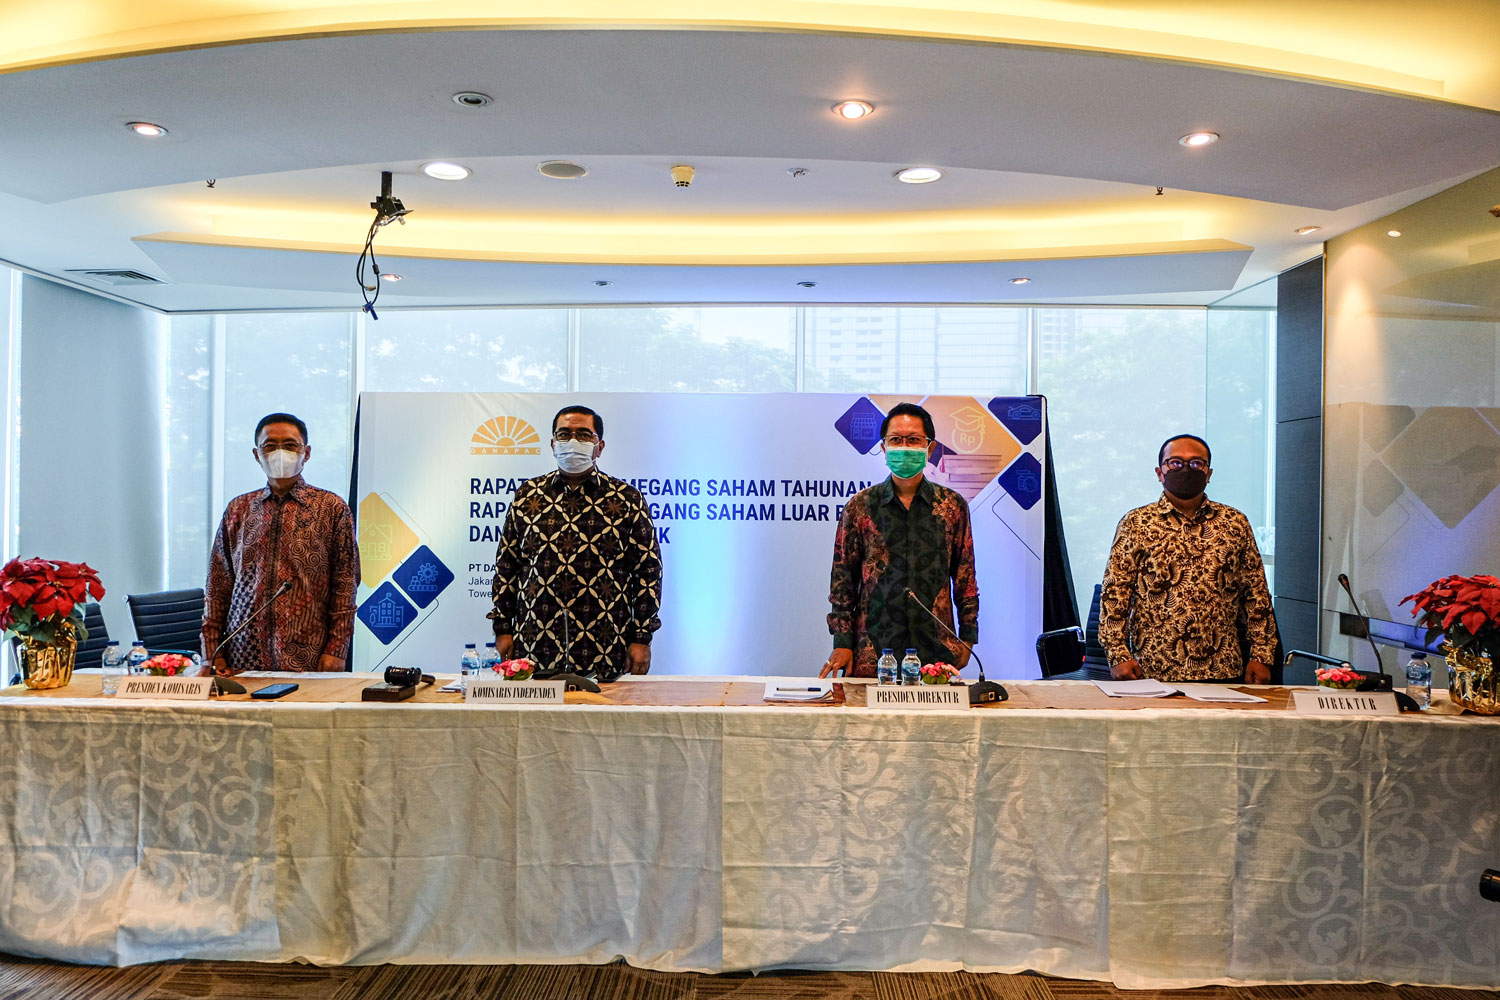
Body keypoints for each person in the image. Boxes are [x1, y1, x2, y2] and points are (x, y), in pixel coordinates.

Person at [489, 405, 661, 680]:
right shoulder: (527, 495)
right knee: (533, 709)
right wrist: (502, 629)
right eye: (564, 434)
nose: (572, 441)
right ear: (552, 444)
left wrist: (641, 637)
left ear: (599, 446)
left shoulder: (626, 499)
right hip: (535, 643)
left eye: (583, 434)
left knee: (604, 709)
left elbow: (648, 571)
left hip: (605, 645)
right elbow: (507, 566)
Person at [1100, 433, 1276, 684]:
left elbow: (1255, 593)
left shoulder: (1234, 523)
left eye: (1196, 463)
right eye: (1175, 462)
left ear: (1208, 473)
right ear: (1160, 472)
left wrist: (1262, 654)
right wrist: (1117, 654)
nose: (1185, 469)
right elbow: (1115, 593)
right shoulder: (1136, 523)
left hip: (1223, 668)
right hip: (1152, 669)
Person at [821, 402, 978, 678]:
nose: (904, 447)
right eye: (895, 440)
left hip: (936, 651)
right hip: (872, 650)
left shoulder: (952, 506)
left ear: (930, 448)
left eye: (914, 440)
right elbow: (842, 578)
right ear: (884, 448)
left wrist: (968, 636)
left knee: (937, 709)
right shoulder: (860, 506)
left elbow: (965, 576)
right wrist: (842, 641)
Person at [202, 412, 359, 673]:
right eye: (270, 446)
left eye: (289, 445)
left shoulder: (331, 508)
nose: (280, 452)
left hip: (309, 653)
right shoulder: (239, 509)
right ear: (257, 454)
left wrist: (336, 650)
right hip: (242, 654)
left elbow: (345, 585)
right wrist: (212, 652)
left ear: (306, 453)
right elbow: (217, 586)